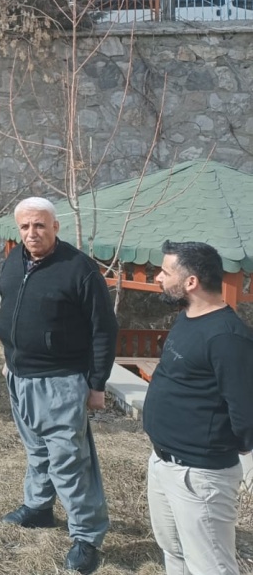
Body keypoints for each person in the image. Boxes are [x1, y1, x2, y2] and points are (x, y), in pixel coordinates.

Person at [0, 196, 116, 575]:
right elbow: (12, 309)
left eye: (40, 225)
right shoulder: (16, 260)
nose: (32, 233)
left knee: (69, 462)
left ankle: (86, 537)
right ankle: (39, 508)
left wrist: (97, 385)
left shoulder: (79, 269)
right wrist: (9, 355)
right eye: (26, 226)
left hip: (61, 381)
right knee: (36, 451)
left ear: (55, 226)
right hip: (19, 375)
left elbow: (103, 329)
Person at [145, 240, 253, 575]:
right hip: (163, 461)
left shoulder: (227, 337)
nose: (158, 278)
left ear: (190, 282)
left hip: (199, 476)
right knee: (174, 552)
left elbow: (246, 413)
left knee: (212, 566)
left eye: (165, 272)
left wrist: (210, 452)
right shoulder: (188, 317)